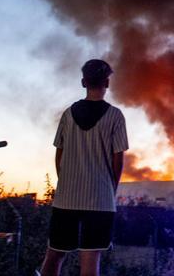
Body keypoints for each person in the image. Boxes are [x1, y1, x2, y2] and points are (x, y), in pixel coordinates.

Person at [39, 59, 128, 276]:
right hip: (100, 200)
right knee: (90, 262)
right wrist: (109, 190)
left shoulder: (68, 114)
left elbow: (58, 155)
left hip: (66, 199)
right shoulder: (115, 116)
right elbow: (118, 160)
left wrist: (67, 184)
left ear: (83, 82)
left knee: (54, 255)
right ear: (106, 82)